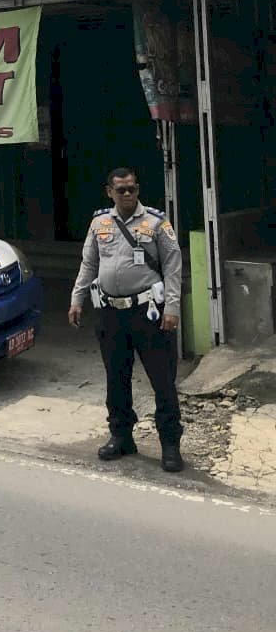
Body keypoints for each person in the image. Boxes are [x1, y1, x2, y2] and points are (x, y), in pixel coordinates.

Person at [69, 167, 185, 473]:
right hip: (110, 312)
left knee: (162, 381)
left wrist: (172, 308)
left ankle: (170, 444)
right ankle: (121, 436)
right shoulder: (100, 223)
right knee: (116, 378)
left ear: (138, 189)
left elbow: (173, 267)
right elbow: (89, 263)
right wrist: (76, 299)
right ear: (110, 192)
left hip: (148, 313)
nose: (127, 195)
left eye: (132, 189)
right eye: (121, 190)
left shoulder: (157, 223)